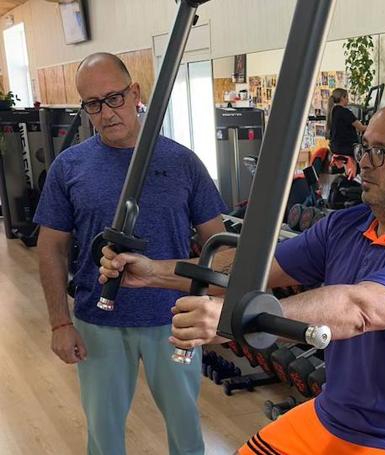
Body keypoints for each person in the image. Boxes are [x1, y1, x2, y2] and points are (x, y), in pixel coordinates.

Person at [99, 103, 385, 455]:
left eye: (381, 152)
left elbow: (359, 309)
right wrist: (153, 273)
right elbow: (249, 273)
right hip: (332, 416)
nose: (364, 162)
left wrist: (236, 319)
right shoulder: (345, 226)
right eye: (364, 147)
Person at [34, 52, 228, 455]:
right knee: (103, 439)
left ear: (135, 93)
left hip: (173, 322)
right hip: (98, 325)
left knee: (187, 435)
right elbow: (50, 247)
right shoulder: (69, 167)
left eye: (114, 98)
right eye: (92, 104)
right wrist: (58, 323)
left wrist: (217, 311)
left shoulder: (183, 162)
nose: (105, 113)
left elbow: (219, 244)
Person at [326, 88, 367, 179]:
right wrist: (373, 126)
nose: (348, 100)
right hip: (346, 147)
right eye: (347, 97)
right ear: (342, 98)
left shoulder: (333, 111)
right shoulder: (345, 112)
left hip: (335, 147)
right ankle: (357, 178)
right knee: (367, 153)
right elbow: (361, 128)